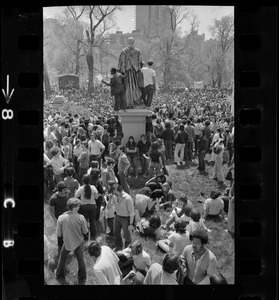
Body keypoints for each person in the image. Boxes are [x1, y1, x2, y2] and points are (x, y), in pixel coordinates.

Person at [55, 198, 88, 284]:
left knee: (62, 259)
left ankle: (59, 275)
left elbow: (58, 234)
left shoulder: (61, 217)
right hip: (79, 242)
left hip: (67, 242)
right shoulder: (81, 217)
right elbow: (85, 231)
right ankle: (82, 278)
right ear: (74, 207)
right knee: (81, 260)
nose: (79, 207)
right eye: (78, 205)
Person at [118, 37, 142, 108]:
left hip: (128, 72)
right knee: (133, 87)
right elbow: (140, 62)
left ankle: (129, 102)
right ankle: (133, 101)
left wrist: (120, 71)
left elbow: (120, 62)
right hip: (133, 72)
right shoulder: (137, 51)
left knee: (128, 87)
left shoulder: (124, 51)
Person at [74, 174, 98, 240]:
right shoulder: (93, 188)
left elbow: (75, 197)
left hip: (83, 207)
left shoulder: (80, 188)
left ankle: (85, 236)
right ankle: (94, 236)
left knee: (84, 222)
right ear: (90, 180)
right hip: (92, 206)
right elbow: (96, 197)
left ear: (83, 180)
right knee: (92, 221)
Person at [112, 183, 135, 251]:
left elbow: (132, 212)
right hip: (117, 216)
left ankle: (127, 249)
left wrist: (130, 224)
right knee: (116, 232)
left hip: (126, 218)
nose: (113, 193)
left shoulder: (128, 198)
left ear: (117, 190)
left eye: (113, 191)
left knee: (126, 235)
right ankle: (118, 246)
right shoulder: (114, 196)